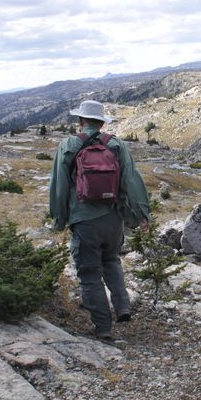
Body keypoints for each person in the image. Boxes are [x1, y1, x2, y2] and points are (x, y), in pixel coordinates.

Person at [49, 100, 150, 343]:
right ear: (102, 122)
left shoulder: (69, 145)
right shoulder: (116, 145)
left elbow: (60, 188)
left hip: (84, 221)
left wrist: (59, 219)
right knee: (112, 260)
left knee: (89, 273)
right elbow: (131, 182)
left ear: (80, 121)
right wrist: (140, 215)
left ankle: (103, 327)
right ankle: (123, 306)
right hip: (113, 219)